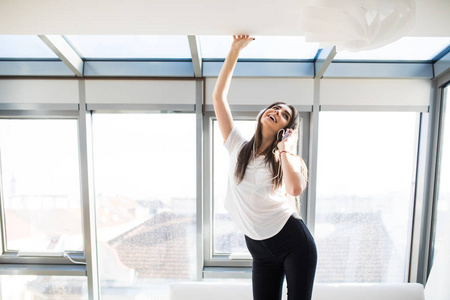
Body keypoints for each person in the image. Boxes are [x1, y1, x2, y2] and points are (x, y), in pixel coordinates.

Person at [212, 35, 317, 300]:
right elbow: (218, 97)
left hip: (293, 242)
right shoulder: (237, 146)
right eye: (275, 108)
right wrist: (235, 49)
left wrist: (284, 149)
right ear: (263, 113)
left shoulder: (284, 157)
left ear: (285, 129)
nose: (277, 112)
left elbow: (294, 189)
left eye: (284, 115)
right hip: (259, 250)